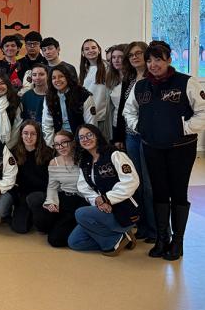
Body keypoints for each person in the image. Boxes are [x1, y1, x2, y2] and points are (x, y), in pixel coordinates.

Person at [123, 40, 205, 260]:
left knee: (178, 193)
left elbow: (202, 111)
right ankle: (162, 239)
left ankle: (178, 242)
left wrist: (184, 128)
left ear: (169, 59)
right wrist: (140, 127)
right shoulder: (141, 86)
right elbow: (128, 111)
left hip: (181, 148)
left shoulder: (186, 82)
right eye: (149, 60)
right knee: (159, 192)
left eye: (158, 59)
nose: (153, 64)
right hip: (152, 147)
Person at [68, 124, 140, 256]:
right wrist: (98, 200)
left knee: (80, 213)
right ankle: (120, 238)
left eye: (89, 135)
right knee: (75, 242)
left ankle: (117, 237)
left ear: (97, 135)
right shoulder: (85, 161)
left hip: (124, 211)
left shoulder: (115, 154)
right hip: (103, 210)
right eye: (81, 137)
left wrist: (107, 198)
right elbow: (83, 187)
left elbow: (131, 181)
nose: (86, 139)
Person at [114, 41, 155, 240]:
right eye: (131, 55)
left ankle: (155, 228)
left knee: (149, 185)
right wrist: (119, 137)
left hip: (149, 136)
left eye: (139, 53)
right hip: (131, 136)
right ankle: (142, 224)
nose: (135, 57)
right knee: (135, 182)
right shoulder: (129, 79)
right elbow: (123, 109)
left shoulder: (153, 78)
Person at [32, 130, 87, 247]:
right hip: (63, 197)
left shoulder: (83, 160)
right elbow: (52, 186)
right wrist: (52, 202)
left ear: (72, 142)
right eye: (56, 144)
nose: (60, 147)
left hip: (80, 200)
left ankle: (77, 226)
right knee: (42, 223)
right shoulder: (54, 162)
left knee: (55, 240)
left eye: (64, 142)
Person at [9, 120, 51, 234]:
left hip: (41, 194)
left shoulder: (48, 153)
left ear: (38, 136)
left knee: (40, 224)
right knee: (19, 228)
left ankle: (37, 213)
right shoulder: (13, 152)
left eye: (33, 134)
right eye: (25, 133)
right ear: (21, 135)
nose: (29, 137)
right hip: (23, 194)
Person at [41, 64, 96, 146]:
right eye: (54, 78)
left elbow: (91, 124)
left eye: (61, 76)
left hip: (80, 140)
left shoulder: (84, 95)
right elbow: (47, 125)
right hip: (59, 141)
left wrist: (86, 144)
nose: (57, 80)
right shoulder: (49, 97)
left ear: (68, 77)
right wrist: (51, 147)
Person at [79, 39, 109, 136]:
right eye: (87, 49)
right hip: (87, 116)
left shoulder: (107, 67)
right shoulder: (84, 70)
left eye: (93, 47)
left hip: (103, 117)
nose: (90, 50)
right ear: (83, 53)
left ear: (99, 50)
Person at [105, 44, 126, 143]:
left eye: (120, 57)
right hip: (115, 123)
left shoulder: (132, 79)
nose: (116, 60)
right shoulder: (111, 78)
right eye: (113, 57)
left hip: (129, 124)